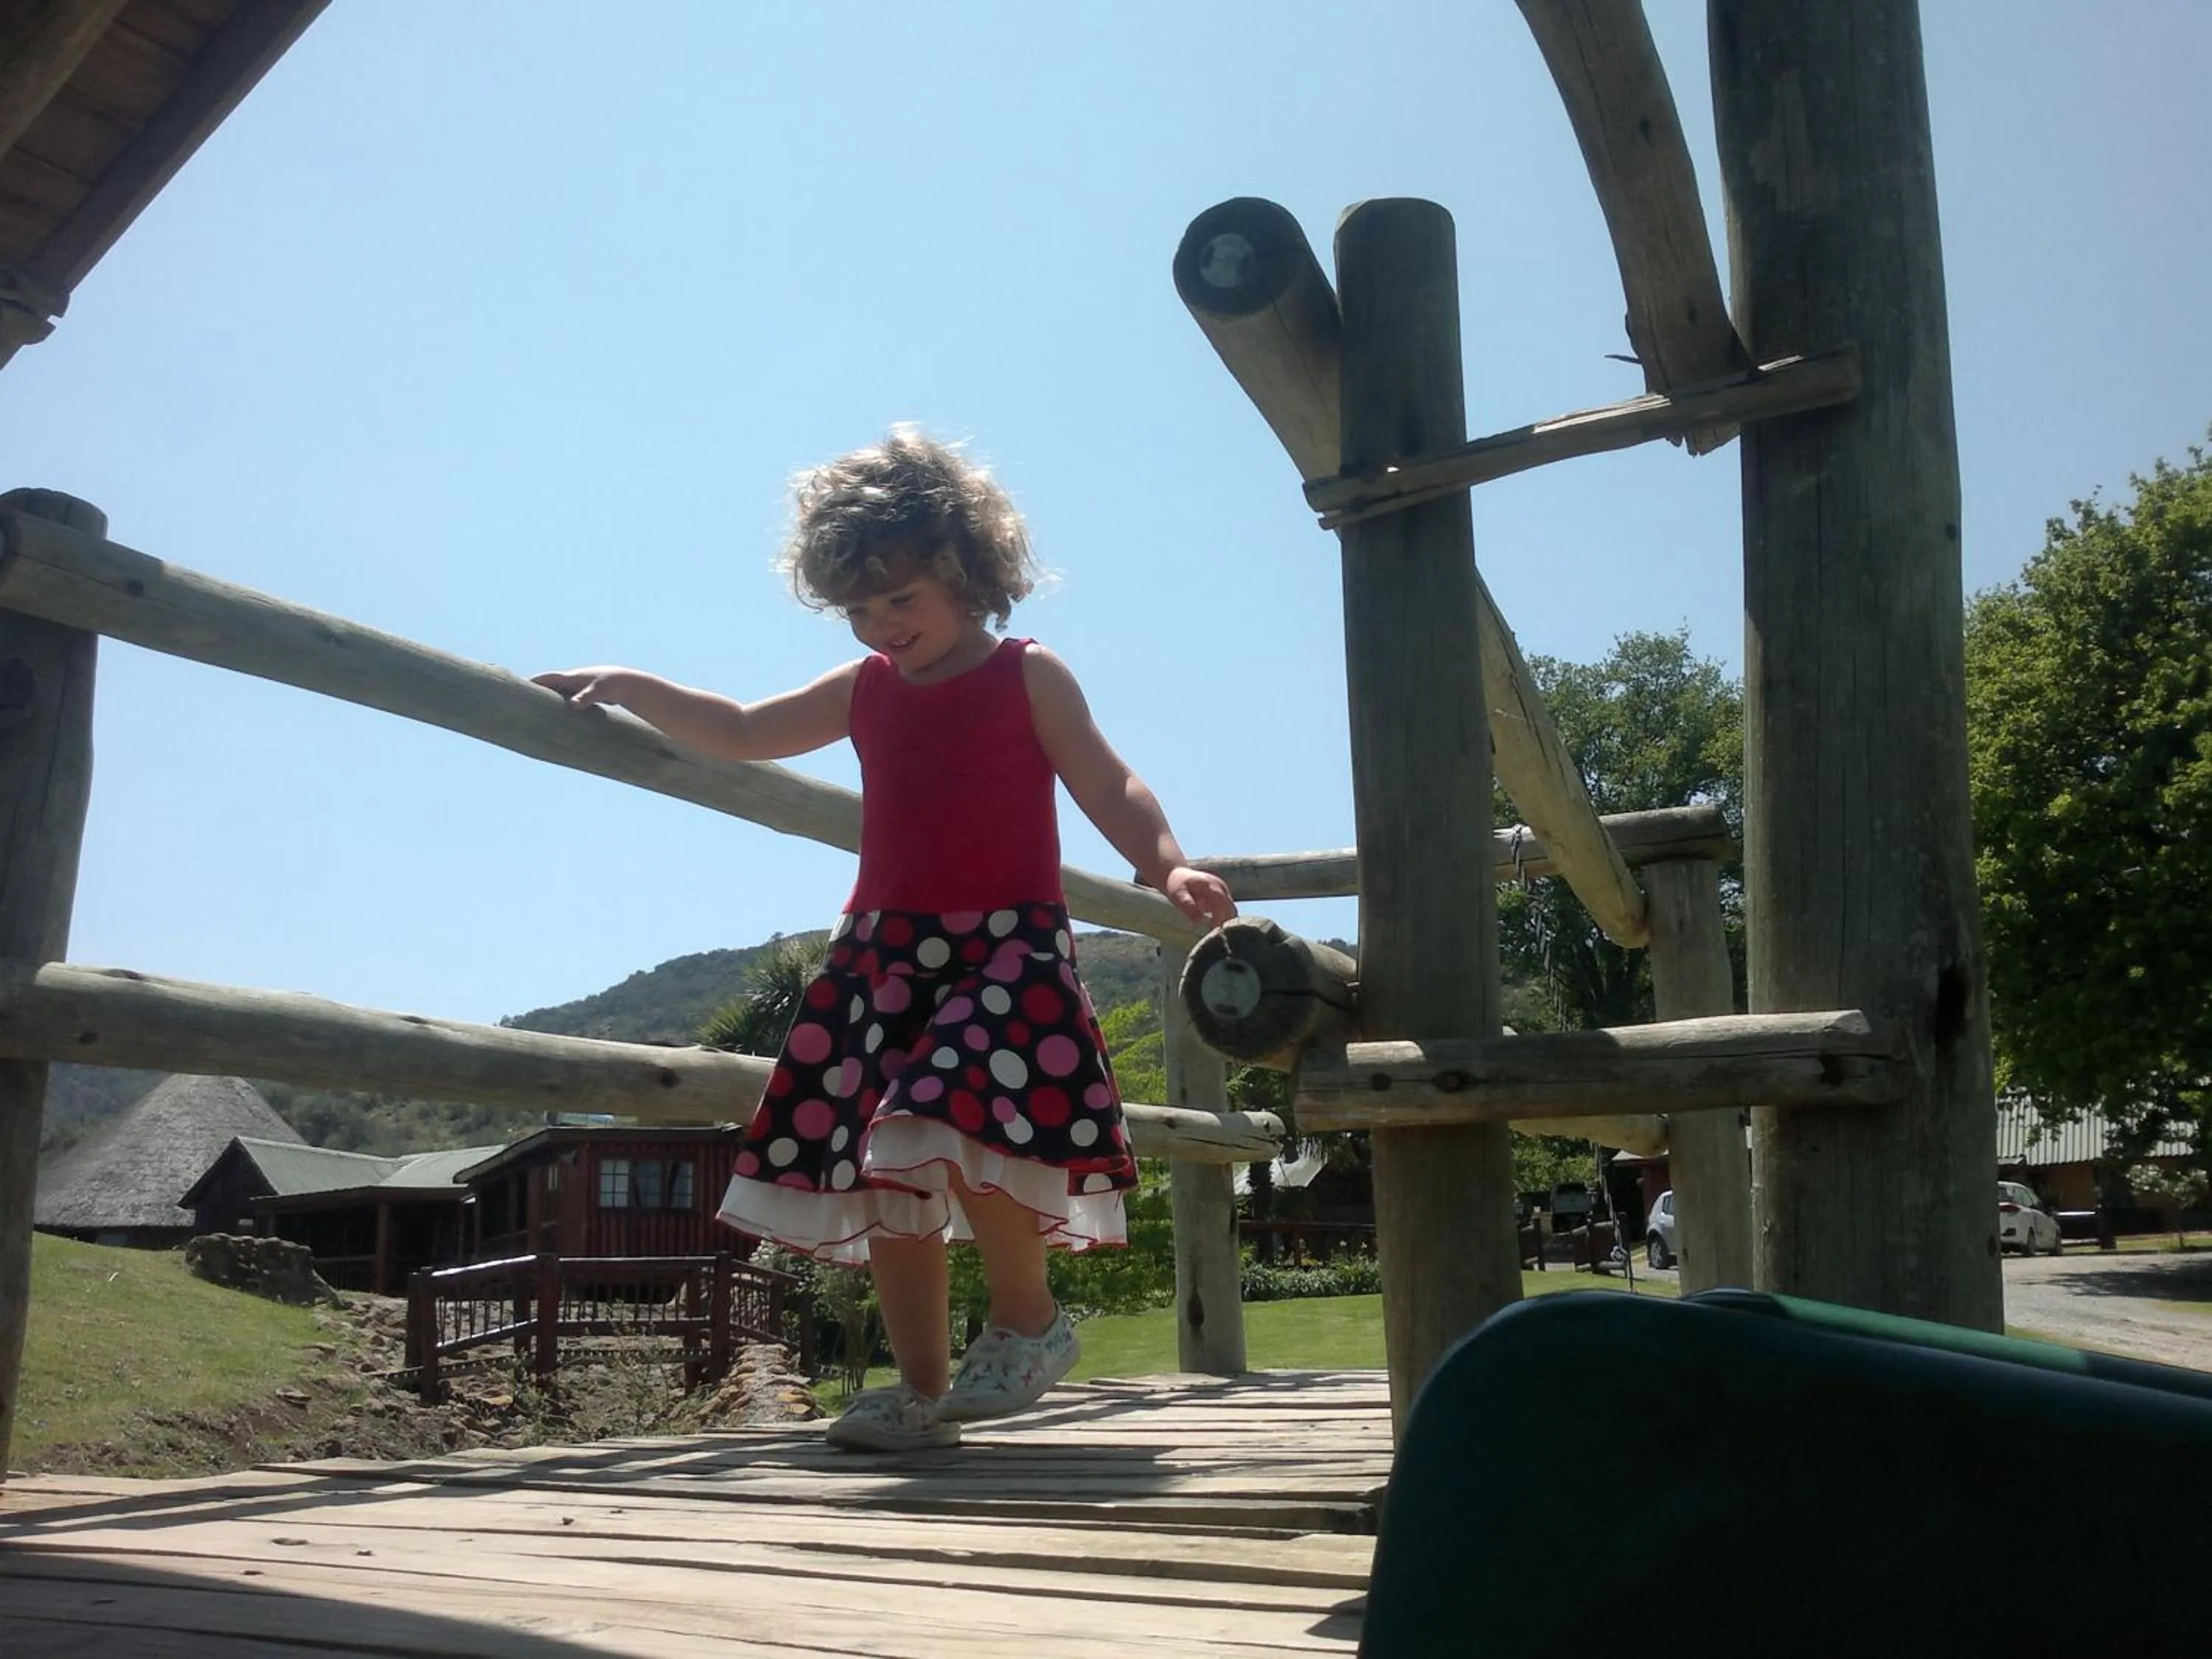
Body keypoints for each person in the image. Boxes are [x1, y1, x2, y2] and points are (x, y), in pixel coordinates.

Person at [534, 428, 1236, 1451]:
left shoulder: (1027, 676)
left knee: (951, 1115)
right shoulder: (864, 688)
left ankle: (1029, 1322)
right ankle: (921, 1391)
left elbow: (1107, 780)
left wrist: (1164, 863)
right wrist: (633, 682)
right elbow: (740, 727)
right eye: (859, 609)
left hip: (1005, 951)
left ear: (965, 571)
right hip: (883, 959)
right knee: (883, 1162)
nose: (880, 625)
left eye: (900, 598)